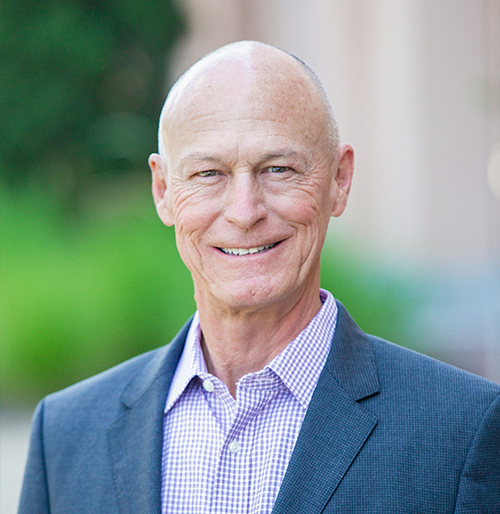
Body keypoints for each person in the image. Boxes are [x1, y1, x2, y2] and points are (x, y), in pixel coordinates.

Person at [19, 41, 500, 514]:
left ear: (339, 179)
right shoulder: (64, 435)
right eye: (209, 174)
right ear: (162, 190)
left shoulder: (463, 431)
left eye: (279, 169)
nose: (245, 212)